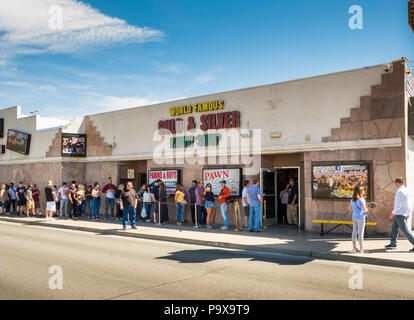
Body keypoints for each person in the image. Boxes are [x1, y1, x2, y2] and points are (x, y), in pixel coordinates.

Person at [385, 177, 414, 252]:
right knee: (394, 228)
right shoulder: (407, 190)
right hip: (402, 213)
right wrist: (408, 213)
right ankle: (393, 244)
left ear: (397, 183)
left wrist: (392, 213)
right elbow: (410, 203)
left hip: (399, 213)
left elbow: (398, 205)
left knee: (405, 230)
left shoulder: (400, 191)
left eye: (395, 183)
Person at [349, 186, 369, 253]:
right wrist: (368, 209)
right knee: (360, 233)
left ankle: (354, 247)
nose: (364, 192)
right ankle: (361, 249)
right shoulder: (361, 200)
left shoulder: (352, 200)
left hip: (354, 217)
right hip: (361, 217)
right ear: (361, 192)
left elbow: (350, 209)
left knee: (354, 232)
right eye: (363, 191)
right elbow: (365, 210)